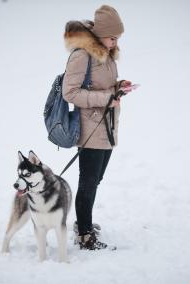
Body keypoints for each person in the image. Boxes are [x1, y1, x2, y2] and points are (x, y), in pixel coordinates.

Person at [62, 5, 134, 250]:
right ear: (100, 33)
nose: (116, 41)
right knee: (89, 181)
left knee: (96, 179)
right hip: (90, 127)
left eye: (118, 38)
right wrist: (106, 98)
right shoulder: (82, 55)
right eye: (113, 36)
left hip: (108, 126)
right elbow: (70, 92)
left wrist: (118, 85)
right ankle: (84, 234)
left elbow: (100, 84)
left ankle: (83, 223)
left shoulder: (107, 52)